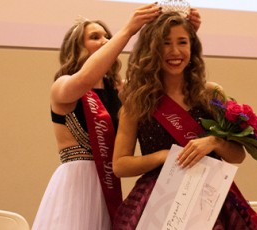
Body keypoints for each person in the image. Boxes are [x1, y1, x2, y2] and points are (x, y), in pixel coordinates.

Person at [112, 12, 257, 230]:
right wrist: (163, 156)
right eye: (165, 43)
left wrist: (214, 142)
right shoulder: (138, 100)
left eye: (182, 42)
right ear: (151, 49)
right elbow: (120, 165)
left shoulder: (211, 94)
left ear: (192, 47)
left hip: (210, 198)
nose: (175, 51)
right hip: (158, 197)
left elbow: (237, 156)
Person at [32, 3, 162, 230]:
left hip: (108, 183)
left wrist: (183, 31)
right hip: (77, 183)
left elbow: (156, 76)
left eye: (107, 36)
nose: (105, 41)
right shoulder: (63, 85)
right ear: (76, 48)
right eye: (95, 37)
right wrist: (128, 30)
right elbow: (84, 80)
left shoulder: (120, 90)